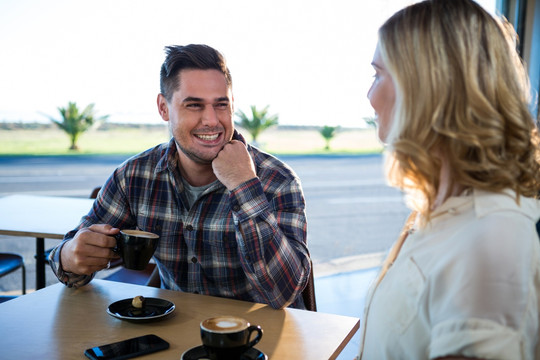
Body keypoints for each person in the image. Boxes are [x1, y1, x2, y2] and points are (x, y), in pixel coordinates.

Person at [49, 44, 311, 310]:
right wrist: (71, 256)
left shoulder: (277, 180)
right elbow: (67, 261)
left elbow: (284, 294)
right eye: (194, 105)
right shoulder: (134, 176)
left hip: (256, 340)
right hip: (174, 334)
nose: (211, 120)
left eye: (221, 105)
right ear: (164, 108)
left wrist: (244, 186)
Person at [359, 0, 540, 358]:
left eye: (379, 74)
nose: (370, 97)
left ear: (427, 89)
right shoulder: (442, 211)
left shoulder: (491, 240)